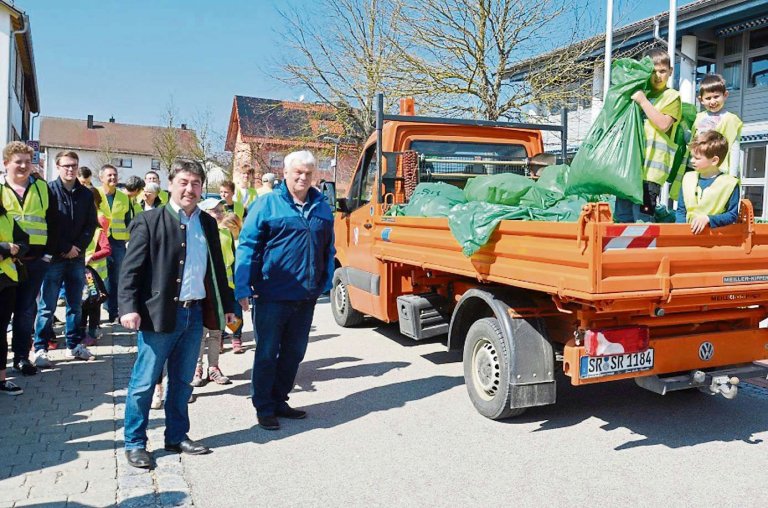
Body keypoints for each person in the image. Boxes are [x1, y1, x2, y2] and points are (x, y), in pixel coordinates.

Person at [119, 159, 235, 469]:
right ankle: (135, 443)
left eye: (196, 183)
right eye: (184, 182)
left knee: (183, 382)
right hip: (159, 315)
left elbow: (216, 273)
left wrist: (230, 306)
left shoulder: (208, 223)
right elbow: (130, 271)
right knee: (144, 383)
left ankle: (176, 436)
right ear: (171, 184)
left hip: (194, 314)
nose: (190, 189)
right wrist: (128, 307)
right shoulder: (149, 220)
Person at [235, 150, 335, 431]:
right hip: (272, 294)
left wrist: (325, 282)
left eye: (308, 173)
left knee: (294, 353)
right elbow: (247, 246)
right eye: (297, 173)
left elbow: (329, 248)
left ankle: (280, 400)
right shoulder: (267, 205)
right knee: (267, 352)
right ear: (285, 175)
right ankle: (264, 407)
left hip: (306, 296)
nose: (303, 178)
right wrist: (243, 285)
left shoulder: (322, 207)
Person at [33, 151, 98, 367]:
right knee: (47, 305)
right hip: (54, 257)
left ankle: (74, 345)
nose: (71, 169)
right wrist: (64, 247)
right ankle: (40, 347)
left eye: (74, 165)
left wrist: (78, 247)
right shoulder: (48, 191)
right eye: (66, 165)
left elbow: (91, 226)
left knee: (75, 305)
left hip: (77, 258)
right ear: (58, 166)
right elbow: (46, 224)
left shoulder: (86, 195)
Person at [1, 141, 58, 376]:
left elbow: (54, 222)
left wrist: (47, 255)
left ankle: (22, 358)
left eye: (28, 161)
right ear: (6, 164)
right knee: (3, 314)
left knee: (26, 311)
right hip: (5, 263)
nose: (24, 166)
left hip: (35, 261)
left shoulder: (42, 187)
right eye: (18, 162)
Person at [616, 49, 682, 223]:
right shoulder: (636, 93)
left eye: (662, 71)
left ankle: (643, 249)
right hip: (629, 171)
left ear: (670, 71)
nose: (657, 76)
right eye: (652, 72)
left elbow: (663, 124)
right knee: (623, 217)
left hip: (650, 175)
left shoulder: (671, 97)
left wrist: (643, 101)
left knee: (643, 217)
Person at [191, 198, 235, 386]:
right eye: (214, 211)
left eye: (220, 210)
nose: (219, 214)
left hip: (223, 288)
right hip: (204, 287)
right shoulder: (196, 233)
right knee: (200, 332)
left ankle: (214, 368)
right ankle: (197, 368)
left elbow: (233, 259)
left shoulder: (226, 232)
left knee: (217, 330)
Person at [676, 131, 739, 233]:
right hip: (687, 238)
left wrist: (709, 219)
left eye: (697, 158)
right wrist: (681, 232)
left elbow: (732, 215)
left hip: (714, 240)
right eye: (692, 156)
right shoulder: (687, 178)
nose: (691, 160)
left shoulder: (730, 184)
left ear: (714, 160)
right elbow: (681, 211)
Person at [97, 164, 136, 324]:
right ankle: (96, 312)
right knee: (99, 277)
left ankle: (114, 312)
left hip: (118, 242)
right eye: (109, 175)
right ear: (101, 178)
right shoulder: (94, 194)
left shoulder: (123, 197)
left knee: (117, 277)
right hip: (99, 242)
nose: (113, 178)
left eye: (115, 175)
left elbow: (129, 220)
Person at [0, 201, 29, 394]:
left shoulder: (7, 217)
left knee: (0, 332)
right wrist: (4, 247)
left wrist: (14, 248)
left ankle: (1, 380)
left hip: (6, 281)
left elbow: (24, 243)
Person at [692, 74, 743, 178]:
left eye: (716, 97)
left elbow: (734, 147)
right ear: (701, 100)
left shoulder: (731, 119)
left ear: (725, 95)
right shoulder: (698, 118)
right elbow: (693, 144)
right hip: (701, 171)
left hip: (721, 171)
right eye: (708, 98)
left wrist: (732, 175)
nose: (712, 101)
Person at [81, 189, 111, 345]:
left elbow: (107, 249)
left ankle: (92, 332)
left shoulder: (99, 227)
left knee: (93, 302)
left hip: (94, 274)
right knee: (81, 303)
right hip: (79, 272)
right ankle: (80, 332)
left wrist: (91, 257)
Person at [220, 212, 244, 353]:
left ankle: (236, 338)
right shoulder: (224, 237)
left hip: (235, 281)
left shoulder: (240, 240)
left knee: (236, 311)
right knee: (222, 311)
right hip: (225, 280)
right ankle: (221, 338)